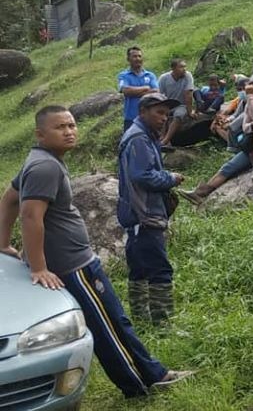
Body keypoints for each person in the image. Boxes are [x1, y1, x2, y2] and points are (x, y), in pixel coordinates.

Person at [0, 106, 193, 397]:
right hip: (73, 266)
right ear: (40, 133)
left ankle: (148, 375)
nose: (69, 131)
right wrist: (38, 266)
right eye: (60, 127)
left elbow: (8, 199)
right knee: (110, 326)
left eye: (72, 125)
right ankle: (145, 382)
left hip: (74, 261)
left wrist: (3, 243)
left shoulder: (41, 160)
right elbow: (30, 215)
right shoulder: (45, 166)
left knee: (112, 322)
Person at [117, 93, 185, 323]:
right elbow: (142, 176)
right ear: (142, 112)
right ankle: (163, 323)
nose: (164, 118)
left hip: (136, 214)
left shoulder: (144, 136)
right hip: (144, 213)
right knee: (160, 269)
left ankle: (141, 318)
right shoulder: (139, 139)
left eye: (167, 114)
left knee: (139, 269)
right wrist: (171, 178)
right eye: (159, 112)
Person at [180, 73, 253, 204]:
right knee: (229, 167)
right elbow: (245, 127)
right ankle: (201, 193)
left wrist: (250, 99)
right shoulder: (249, 104)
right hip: (252, 146)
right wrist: (250, 114)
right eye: (252, 85)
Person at [118, 47, 159, 132]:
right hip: (131, 118)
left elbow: (156, 92)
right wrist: (145, 88)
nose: (138, 59)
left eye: (139, 56)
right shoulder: (124, 75)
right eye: (134, 56)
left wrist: (134, 92)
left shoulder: (150, 75)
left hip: (148, 117)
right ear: (128, 59)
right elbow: (125, 91)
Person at [157, 58, 195, 147]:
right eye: (181, 67)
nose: (184, 69)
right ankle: (161, 136)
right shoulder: (164, 78)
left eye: (185, 66)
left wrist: (190, 111)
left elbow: (188, 94)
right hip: (167, 103)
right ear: (173, 68)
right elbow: (159, 95)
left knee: (179, 116)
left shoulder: (187, 76)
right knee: (162, 115)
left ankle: (166, 140)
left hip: (180, 104)